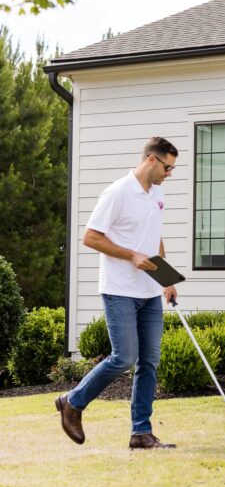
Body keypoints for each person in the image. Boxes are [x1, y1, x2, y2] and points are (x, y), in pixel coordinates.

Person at [55, 137, 180, 449]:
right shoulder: (117, 192)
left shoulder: (157, 195)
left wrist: (165, 278)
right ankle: (73, 401)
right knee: (124, 357)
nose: (170, 173)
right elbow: (91, 238)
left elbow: (154, 239)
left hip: (149, 292)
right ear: (151, 160)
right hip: (119, 290)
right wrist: (131, 256)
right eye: (168, 167)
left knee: (149, 362)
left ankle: (141, 433)